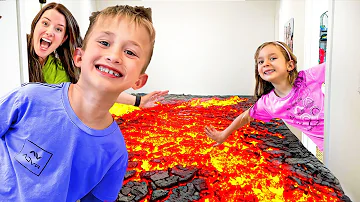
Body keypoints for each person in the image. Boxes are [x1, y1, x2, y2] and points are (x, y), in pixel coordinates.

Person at [0, 4, 156, 201]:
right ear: (79, 56)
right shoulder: (29, 98)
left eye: (130, 52)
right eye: (105, 43)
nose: (114, 56)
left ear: (139, 81)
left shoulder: (115, 152)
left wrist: (138, 101)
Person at [27, 2, 167, 108]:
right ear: (34, 26)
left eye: (58, 29)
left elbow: (93, 88)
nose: (50, 32)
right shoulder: (11, 53)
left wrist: (139, 101)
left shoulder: (60, 69)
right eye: (45, 23)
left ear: (63, 39)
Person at [205, 41, 325, 152]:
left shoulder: (308, 77)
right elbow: (246, 116)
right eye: (260, 62)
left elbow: (336, 66)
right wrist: (223, 134)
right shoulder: (269, 103)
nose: (265, 64)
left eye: (272, 58)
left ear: (290, 65)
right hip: (328, 145)